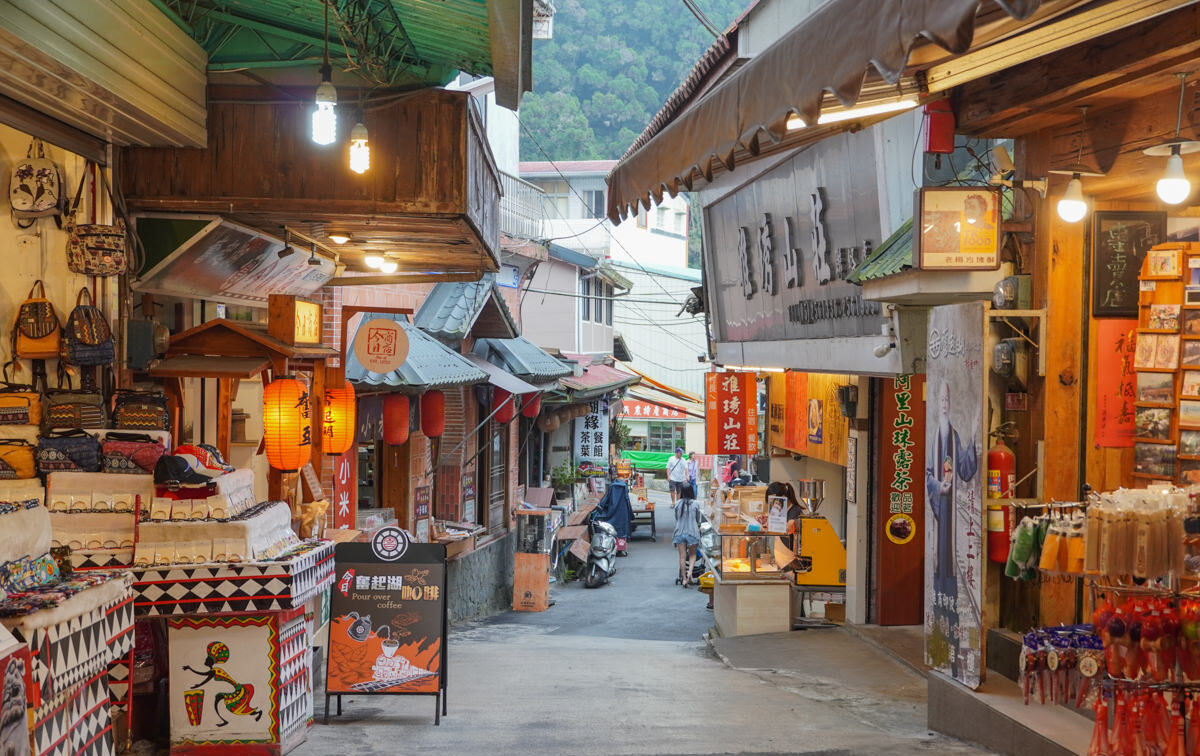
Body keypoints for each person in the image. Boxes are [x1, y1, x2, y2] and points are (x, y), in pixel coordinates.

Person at [925, 382, 980, 680]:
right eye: (941, 397)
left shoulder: (953, 434)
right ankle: (941, 643)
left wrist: (972, 437)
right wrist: (938, 487)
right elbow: (927, 476)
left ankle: (952, 646)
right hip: (937, 516)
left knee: (949, 574)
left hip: (950, 521)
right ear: (936, 400)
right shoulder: (934, 434)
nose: (944, 402)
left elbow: (965, 469)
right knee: (938, 572)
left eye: (948, 397)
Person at [673, 482, 701, 586]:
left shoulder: (677, 503)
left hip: (679, 532)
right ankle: (690, 573)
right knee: (693, 554)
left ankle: (684, 579)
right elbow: (698, 519)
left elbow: (676, 518)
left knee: (682, 557)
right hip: (692, 532)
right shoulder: (696, 504)